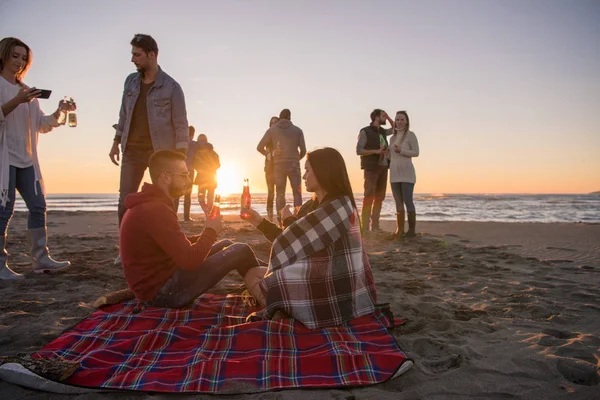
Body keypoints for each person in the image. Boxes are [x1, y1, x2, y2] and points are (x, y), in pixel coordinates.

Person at [240, 147, 378, 329]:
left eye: (307, 170)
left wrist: (288, 220)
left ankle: (281, 309)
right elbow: (292, 240)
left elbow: (290, 240)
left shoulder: (338, 207)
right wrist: (259, 221)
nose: (304, 176)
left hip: (334, 283)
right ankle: (283, 307)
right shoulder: (316, 205)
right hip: (317, 271)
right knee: (253, 274)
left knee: (260, 280)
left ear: (322, 172)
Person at [120, 150, 260, 308]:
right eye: (184, 175)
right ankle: (270, 286)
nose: (189, 181)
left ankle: (264, 279)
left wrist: (205, 234)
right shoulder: (156, 209)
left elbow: (170, 246)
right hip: (162, 293)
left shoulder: (152, 203)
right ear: (166, 177)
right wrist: (210, 231)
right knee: (240, 250)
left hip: (159, 280)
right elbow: (190, 261)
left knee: (226, 243)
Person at [109, 34, 189, 265]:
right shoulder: (130, 82)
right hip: (132, 150)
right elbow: (123, 114)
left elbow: (181, 123)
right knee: (126, 198)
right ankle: (126, 250)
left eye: (137, 54)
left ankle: (169, 247)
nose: (133, 59)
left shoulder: (172, 87)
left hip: (160, 152)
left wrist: (180, 157)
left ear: (151, 55)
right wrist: (116, 141)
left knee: (167, 200)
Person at [0, 37, 76, 280]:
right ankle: (0, 266)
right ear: (3, 55)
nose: (20, 62)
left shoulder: (27, 91)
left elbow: (42, 125)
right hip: (5, 158)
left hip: (27, 159)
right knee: (4, 210)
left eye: (24, 58)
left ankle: (41, 259)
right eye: (15, 56)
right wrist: (16, 101)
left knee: (38, 206)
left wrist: (60, 110)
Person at [256, 109, 306, 223]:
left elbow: (259, 147)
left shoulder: (272, 130)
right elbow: (303, 150)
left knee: (280, 193)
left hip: (278, 166)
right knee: (297, 192)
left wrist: (269, 154)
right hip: (294, 165)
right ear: (290, 117)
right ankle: (298, 218)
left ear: (280, 117)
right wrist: (296, 159)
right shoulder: (298, 131)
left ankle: (281, 219)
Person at [356, 109, 394, 234]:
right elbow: (359, 150)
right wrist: (376, 151)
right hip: (371, 168)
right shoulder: (365, 131)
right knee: (369, 197)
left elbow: (396, 129)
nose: (385, 118)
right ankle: (365, 227)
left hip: (383, 167)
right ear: (377, 117)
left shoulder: (382, 131)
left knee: (379, 197)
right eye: (383, 116)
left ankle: (375, 226)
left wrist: (388, 117)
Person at [389, 111, 419, 238]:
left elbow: (416, 152)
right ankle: (399, 230)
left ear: (406, 121)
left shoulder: (411, 135)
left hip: (407, 173)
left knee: (408, 201)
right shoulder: (392, 138)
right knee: (398, 202)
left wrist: (401, 150)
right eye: (397, 119)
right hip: (394, 173)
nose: (399, 122)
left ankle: (411, 231)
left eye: (402, 119)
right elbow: (391, 156)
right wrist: (386, 153)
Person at [256, 116, 279, 220]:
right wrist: (267, 153)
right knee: (271, 192)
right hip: (269, 167)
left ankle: (280, 216)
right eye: (272, 123)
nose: (274, 124)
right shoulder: (268, 134)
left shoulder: (281, 135)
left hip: (280, 167)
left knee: (280, 192)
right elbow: (259, 147)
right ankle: (270, 217)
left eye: (276, 122)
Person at [175, 125, 198, 221]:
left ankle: (173, 215)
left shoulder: (179, 143)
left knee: (176, 194)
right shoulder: (195, 144)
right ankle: (186, 217)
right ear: (193, 134)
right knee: (187, 195)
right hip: (189, 171)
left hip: (178, 171)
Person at [192, 134, 220, 212]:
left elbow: (217, 165)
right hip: (207, 177)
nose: (201, 143)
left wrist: (206, 169)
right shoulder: (198, 152)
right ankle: (208, 213)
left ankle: (208, 213)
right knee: (203, 198)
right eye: (199, 141)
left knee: (207, 197)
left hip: (208, 177)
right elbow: (194, 164)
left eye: (202, 141)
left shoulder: (211, 153)